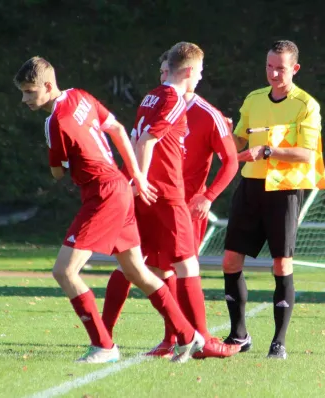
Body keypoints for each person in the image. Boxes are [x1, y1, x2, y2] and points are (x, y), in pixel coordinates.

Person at [13, 56, 204, 364]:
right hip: (119, 186)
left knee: (64, 271)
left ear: (48, 86)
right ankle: (188, 334)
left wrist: (68, 161)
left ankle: (103, 345)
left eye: (30, 92)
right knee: (137, 271)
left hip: (102, 194)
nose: (25, 99)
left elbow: (58, 173)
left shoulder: (55, 121)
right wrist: (137, 175)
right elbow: (116, 128)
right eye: (23, 92)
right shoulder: (80, 95)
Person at [100, 42, 239, 359]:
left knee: (139, 267)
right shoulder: (172, 98)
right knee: (183, 267)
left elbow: (230, 160)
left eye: (165, 69)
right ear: (189, 71)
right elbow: (146, 139)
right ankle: (199, 340)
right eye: (199, 72)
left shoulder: (159, 99)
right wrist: (142, 179)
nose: (200, 78)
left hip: (158, 196)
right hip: (166, 197)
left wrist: (208, 195)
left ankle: (120, 338)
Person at [221, 40, 325, 359]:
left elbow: (308, 154)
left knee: (281, 265)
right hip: (250, 186)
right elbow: (238, 137)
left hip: (284, 191)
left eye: (280, 68)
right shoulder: (253, 99)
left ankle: (279, 341)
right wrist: (222, 133)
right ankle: (238, 335)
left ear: (294, 69)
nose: (273, 73)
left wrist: (268, 151)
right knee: (230, 260)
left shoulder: (306, 104)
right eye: (269, 66)